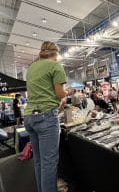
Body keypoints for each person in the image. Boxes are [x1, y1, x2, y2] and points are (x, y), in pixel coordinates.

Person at [24, 41, 67, 192]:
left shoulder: (31, 68)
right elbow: (59, 93)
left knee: (39, 161)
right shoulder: (55, 65)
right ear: (56, 53)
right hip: (46, 117)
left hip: (29, 117)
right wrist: (66, 95)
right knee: (49, 163)